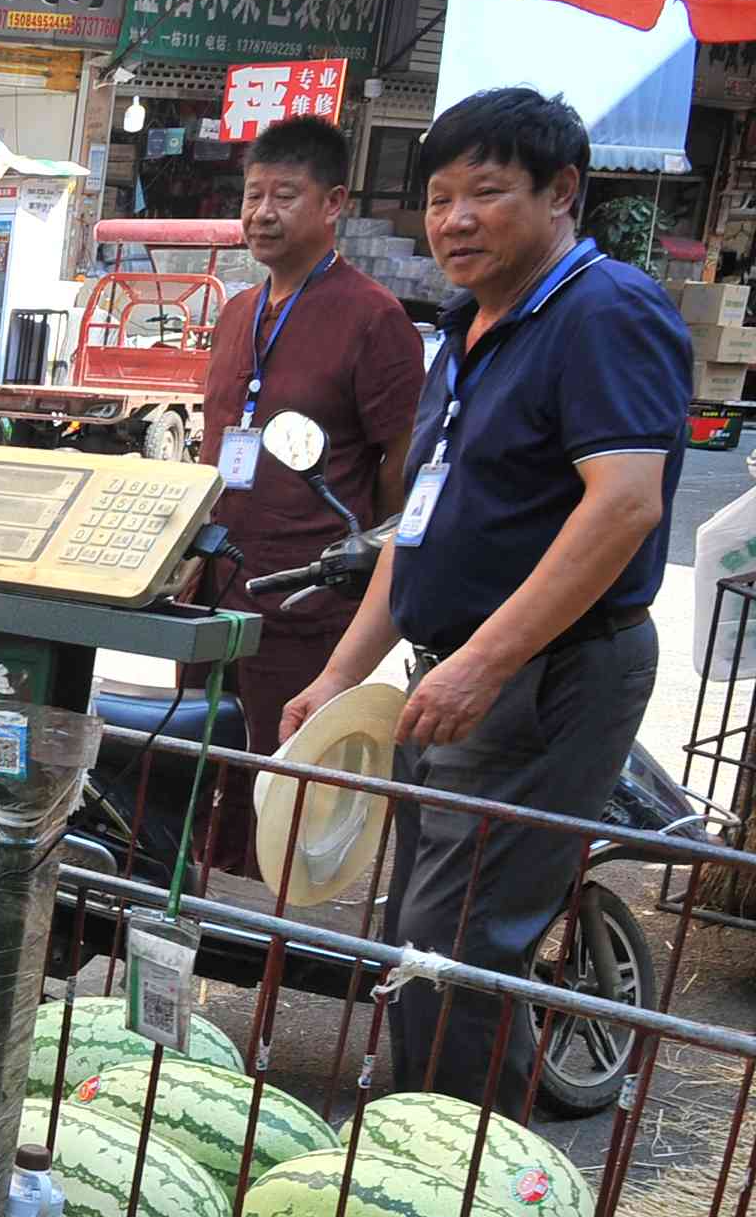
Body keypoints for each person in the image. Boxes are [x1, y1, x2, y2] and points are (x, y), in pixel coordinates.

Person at [280, 88, 686, 1118]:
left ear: (562, 194)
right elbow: (416, 526)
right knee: (420, 931)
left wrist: (485, 660)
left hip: (544, 674)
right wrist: (338, 675)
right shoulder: (467, 330)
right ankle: (412, 1141)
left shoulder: (604, 310)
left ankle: (454, 1188)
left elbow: (624, 503)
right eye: (439, 196)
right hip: (455, 670)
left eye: (486, 192)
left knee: (463, 944)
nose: (453, 219)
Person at [196, 114, 425, 879]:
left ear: (332, 204)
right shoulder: (236, 311)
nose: (262, 213)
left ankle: (288, 919)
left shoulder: (372, 317)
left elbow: (401, 464)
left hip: (306, 592)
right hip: (214, 579)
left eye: (284, 196)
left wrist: (364, 554)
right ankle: (207, 901)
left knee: (289, 775)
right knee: (208, 758)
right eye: (253, 194)